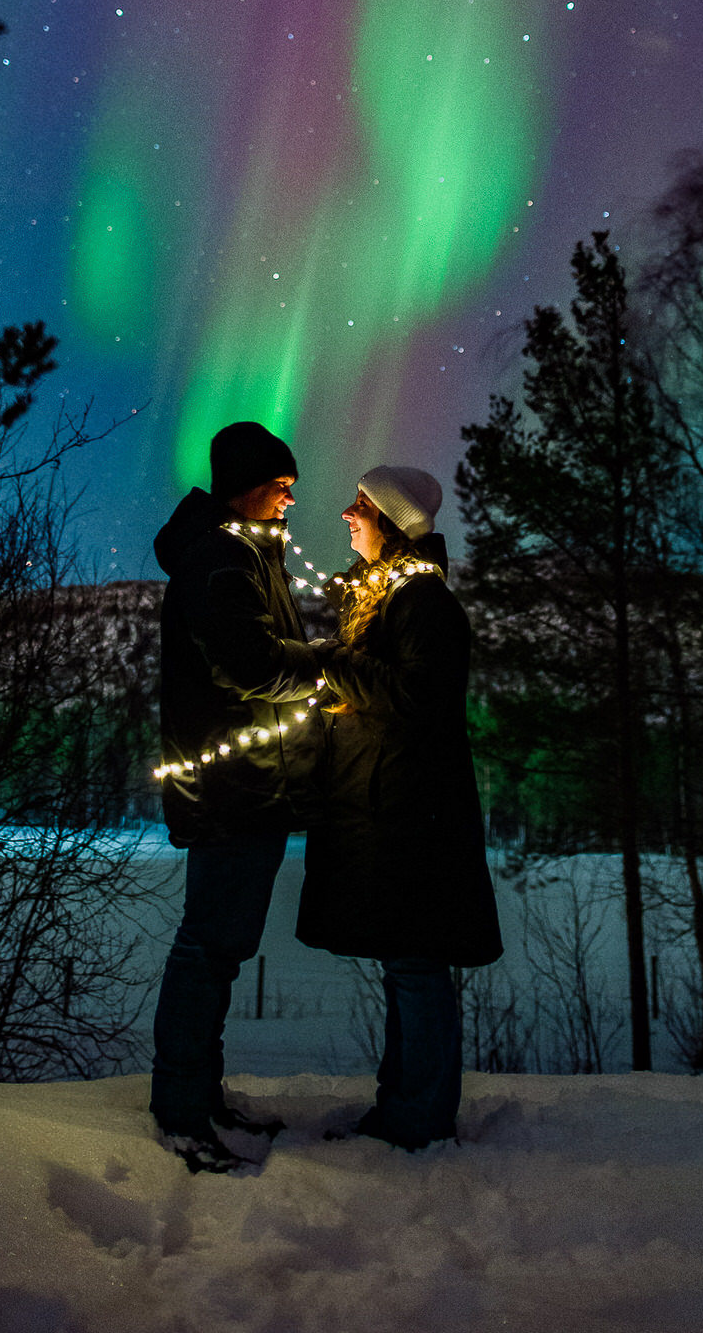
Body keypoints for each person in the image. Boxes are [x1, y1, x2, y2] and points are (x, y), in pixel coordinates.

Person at [297, 464, 502, 1149]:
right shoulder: (392, 599)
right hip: (392, 811)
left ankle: (419, 1118)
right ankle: (402, 1108)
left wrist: (334, 663)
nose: (348, 515)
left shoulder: (424, 605)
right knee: (404, 965)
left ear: (389, 519)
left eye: (360, 505)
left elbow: (417, 699)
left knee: (415, 966)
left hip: (414, 820)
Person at [149, 420, 326, 1173]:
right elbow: (249, 664)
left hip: (247, 785)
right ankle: (183, 1113)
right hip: (232, 787)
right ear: (246, 484)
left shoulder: (242, 551)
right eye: (280, 485)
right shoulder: (221, 558)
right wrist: (327, 667)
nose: (291, 497)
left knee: (217, 949)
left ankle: (199, 1097)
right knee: (208, 948)